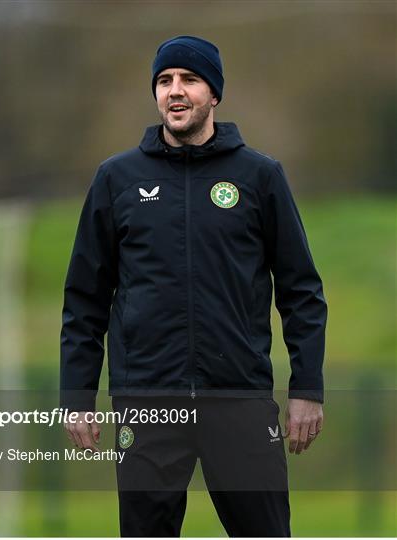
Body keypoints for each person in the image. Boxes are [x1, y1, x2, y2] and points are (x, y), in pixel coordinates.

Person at [60, 35, 327, 537]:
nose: (174, 91)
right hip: (147, 400)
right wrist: (76, 395)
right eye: (164, 81)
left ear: (215, 94)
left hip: (240, 399)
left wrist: (307, 388)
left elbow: (301, 292)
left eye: (189, 79)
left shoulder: (260, 176)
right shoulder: (116, 180)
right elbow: (84, 301)